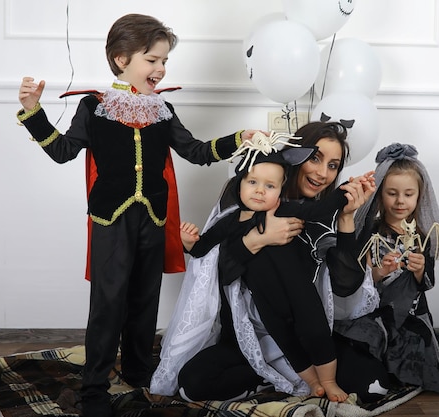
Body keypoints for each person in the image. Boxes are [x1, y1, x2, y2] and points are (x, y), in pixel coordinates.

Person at [16, 13, 258, 417]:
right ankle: (94, 387)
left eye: (165, 61)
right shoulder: (93, 106)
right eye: (152, 60)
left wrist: (239, 139)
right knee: (108, 302)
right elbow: (62, 151)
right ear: (121, 58)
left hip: (154, 219)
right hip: (111, 219)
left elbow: (195, 152)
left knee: (145, 299)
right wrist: (32, 110)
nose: (161, 69)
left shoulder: (163, 109)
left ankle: (137, 370)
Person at [151, 122, 389, 403]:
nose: (322, 173)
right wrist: (256, 240)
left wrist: (347, 217)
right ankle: (270, 377)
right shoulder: (244, 201)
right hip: (249, 332)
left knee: (374, 385)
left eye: (333, 165)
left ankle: (309, 379)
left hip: (308, 330)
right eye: (315, 158)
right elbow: (217, 274)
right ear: (294, 158)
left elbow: (345, 286)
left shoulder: (320, 213)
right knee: (193, 383)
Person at [330, 142, 439, 394]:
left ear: (419, 196)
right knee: (361, 339)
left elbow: (427, 283)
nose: (400, 201)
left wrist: (419, 270)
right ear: (381, 193)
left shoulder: (423, 236)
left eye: (408, 194)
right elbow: (357, 283)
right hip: (375, 311)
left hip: (410, 316)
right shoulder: (370, 233)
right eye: (392, 193)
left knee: (421, 348)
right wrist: (379, 272)